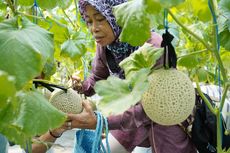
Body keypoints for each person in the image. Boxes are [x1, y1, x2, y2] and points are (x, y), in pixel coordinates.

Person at [67, 0, 197, 153]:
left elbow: (152, 106)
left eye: (100, 19)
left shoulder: (153, 46)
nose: (93, 28)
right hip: (130, 121)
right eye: (89, 21)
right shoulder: (106, 45)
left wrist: (100, 122)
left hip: (165, 121)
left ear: (117, 16)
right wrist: (82, 86)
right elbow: (97, 77)